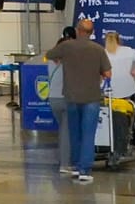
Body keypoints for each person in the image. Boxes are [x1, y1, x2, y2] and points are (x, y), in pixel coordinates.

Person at [46, 19, 111, 184]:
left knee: (74, 133)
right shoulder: (98, 49)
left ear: (77, 30)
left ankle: (75, 166)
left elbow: (49, 55)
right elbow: (108, 73)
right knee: (88, 134)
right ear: (91, 32)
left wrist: (60, 60)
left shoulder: (67, 46)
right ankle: (84, 170)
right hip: (92, 97)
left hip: (71, 97)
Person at [103, 30, 135, 150]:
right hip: (127, 88)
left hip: (109, 90)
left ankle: (112, 140)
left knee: (111, 116)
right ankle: (134, 140)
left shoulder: (103, 53)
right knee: (130, 113)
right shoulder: (128, 51)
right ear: (119, 39)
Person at [45, 25, 74, 172]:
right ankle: (65, 163)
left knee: (63, 130)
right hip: (66, 98)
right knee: (67, 132)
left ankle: (63, 158)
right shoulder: (70, 61)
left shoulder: (51, 61)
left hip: (53, 99)